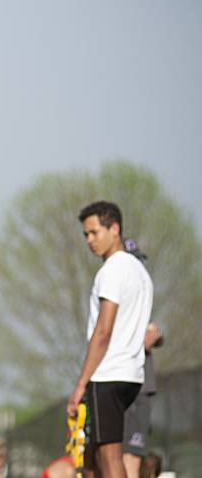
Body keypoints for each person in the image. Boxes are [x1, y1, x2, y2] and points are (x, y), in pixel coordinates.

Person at [67, 202, 153, 478]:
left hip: (107, 374)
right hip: (132, 375)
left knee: (110, 456)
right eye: (85, 235)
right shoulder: (139, 271)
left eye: (94, 232)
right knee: (91, 454)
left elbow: (103, 331)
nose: (90, 240)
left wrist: (81, 384)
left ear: (114, 228)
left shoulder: (112, 270)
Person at [123, 321, 163, 478]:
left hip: (139, 394)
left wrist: (151, 333)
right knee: (129, 455)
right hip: (132, 394)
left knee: (133, 455)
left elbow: (157, 338)